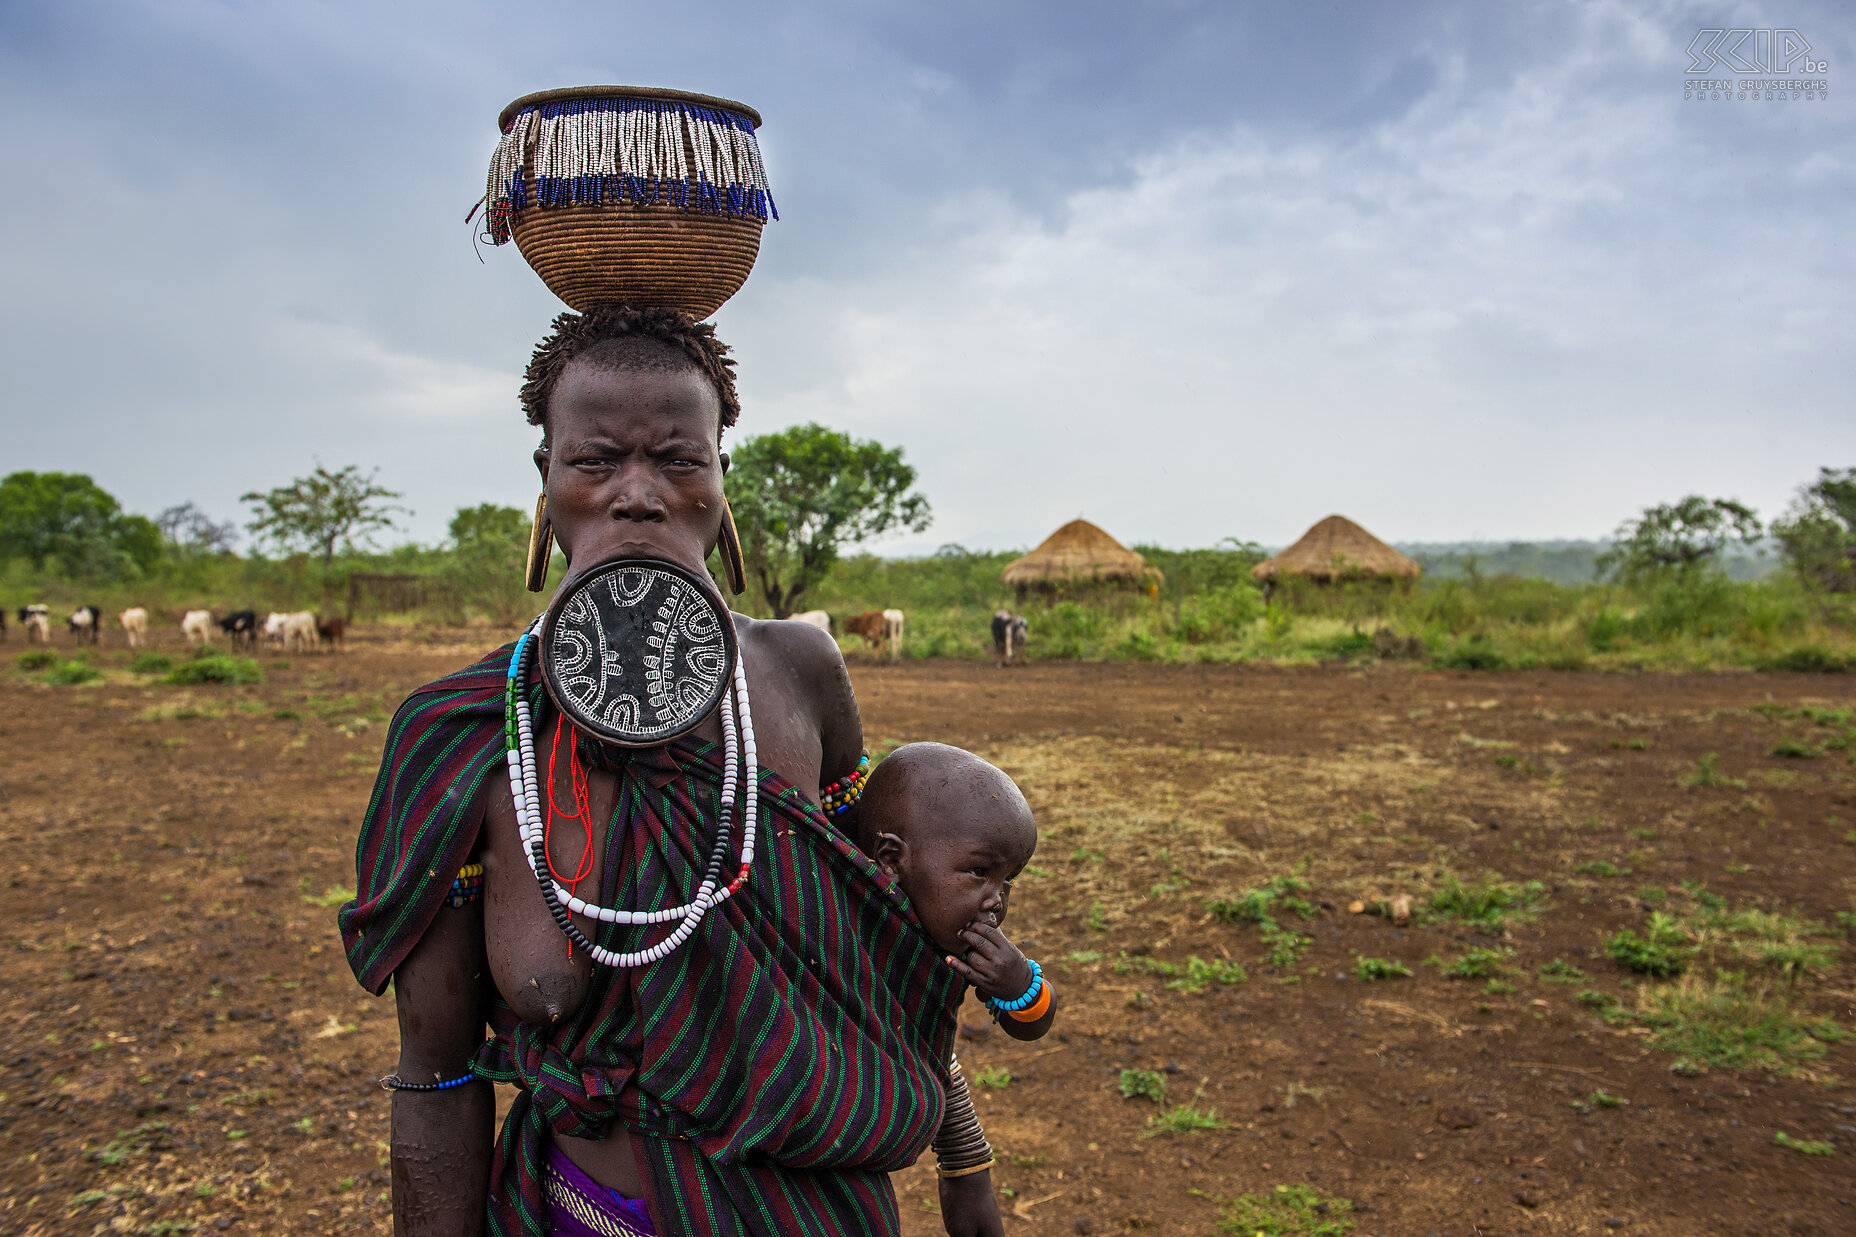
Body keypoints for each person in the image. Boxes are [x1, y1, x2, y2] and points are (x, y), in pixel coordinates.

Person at [340, 306, 968, 1237]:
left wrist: (970, 1156)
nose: (638, 494)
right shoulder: (465, 732)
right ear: (546, 484)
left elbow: (872, 959)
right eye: (594, 460)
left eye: (680, 458)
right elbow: (436, 1068)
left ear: (722, 481)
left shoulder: (802, 674)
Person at [853, 742, 1057, 1237]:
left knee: (968, 1163)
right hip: (850, 1057)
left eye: (1008, 882)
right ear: (891, 860)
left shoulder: (967, 942)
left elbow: (1030, 1024)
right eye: (980, 873)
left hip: (926, 1057)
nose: (996, 902)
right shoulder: (836, 910)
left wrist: (1017, 981)